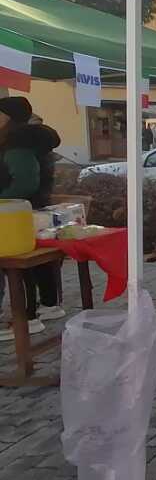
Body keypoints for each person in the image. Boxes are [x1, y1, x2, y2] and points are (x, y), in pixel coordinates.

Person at [0, 96, 63, 340]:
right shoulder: (28, 139)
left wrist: (4, 200)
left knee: (18, 263)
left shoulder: (18, 142)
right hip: (27, 210)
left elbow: (25, 182)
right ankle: (46, 306)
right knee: (30, 261)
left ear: (9, 117)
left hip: (16, 213)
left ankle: (27, 318)